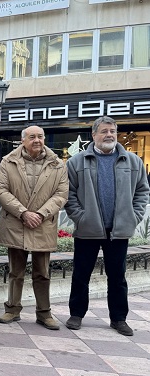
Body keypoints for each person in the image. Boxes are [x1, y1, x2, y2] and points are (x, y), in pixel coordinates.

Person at [65, 116, 150, 336]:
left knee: (118, 277)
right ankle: (76, 314)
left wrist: (134, 216)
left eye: (112, 130)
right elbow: (69, 194)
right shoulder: (76, 162)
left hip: (119, 230)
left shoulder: (132, 161)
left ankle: (119, 318)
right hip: (88, 229)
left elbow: (142, 191)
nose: (109, 135)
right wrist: (81, 217)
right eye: (104, 131)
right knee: (80, 274)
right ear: (93, 135)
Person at [0, 125, 68, 330]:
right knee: (15, 272)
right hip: (16, 223)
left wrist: (40, 214)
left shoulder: (57, 164)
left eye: (41, 136)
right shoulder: (8, 161)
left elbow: (61, 194)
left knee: (42, 273)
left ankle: (44, 313)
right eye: (32, 137)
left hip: (43, 225)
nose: (37, 140)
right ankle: (12, 309)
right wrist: (23, 213)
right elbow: (0, 189)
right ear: (23, 140)